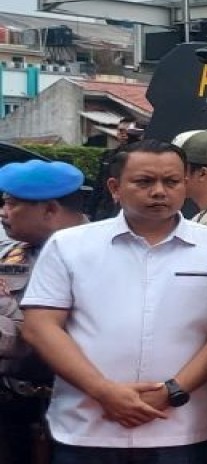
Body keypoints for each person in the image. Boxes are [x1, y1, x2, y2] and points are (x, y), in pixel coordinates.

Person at [21, 140, 207, 463]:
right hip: (86, 427)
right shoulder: (70, 246)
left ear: (186, 183)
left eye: (171, 181)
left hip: (181, 429)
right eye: (144, 181)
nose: (159, 192)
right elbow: (40, 327)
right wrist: (103, 391)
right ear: (115, 187)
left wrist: (172, 391)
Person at [0, 160, 90, 464]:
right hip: (13, 407)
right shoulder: (10, 253)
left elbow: (33, 335)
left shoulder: (100, 256)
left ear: (50, 210)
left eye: (11, 204)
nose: (3, 212)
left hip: (81, 406)